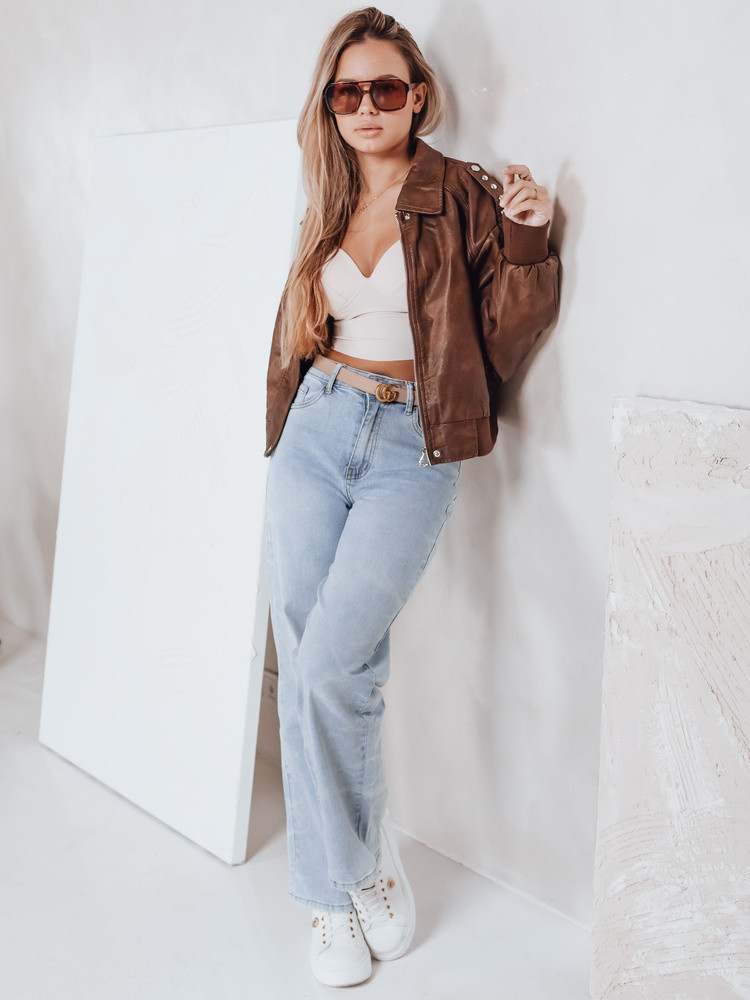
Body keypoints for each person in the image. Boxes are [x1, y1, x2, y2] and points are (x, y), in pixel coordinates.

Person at [263, 6, 559, 988]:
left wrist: (527, 242)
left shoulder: (465, 191)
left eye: (385, 88)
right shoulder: (326, 190)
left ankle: (353, 868)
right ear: (330, 104)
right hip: (316, 425)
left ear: (418, 95)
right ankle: (335, 892)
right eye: (346, 91)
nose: (366, 106)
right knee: (306, 661)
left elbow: (502, 339)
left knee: (332, 664)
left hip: (411, 443)